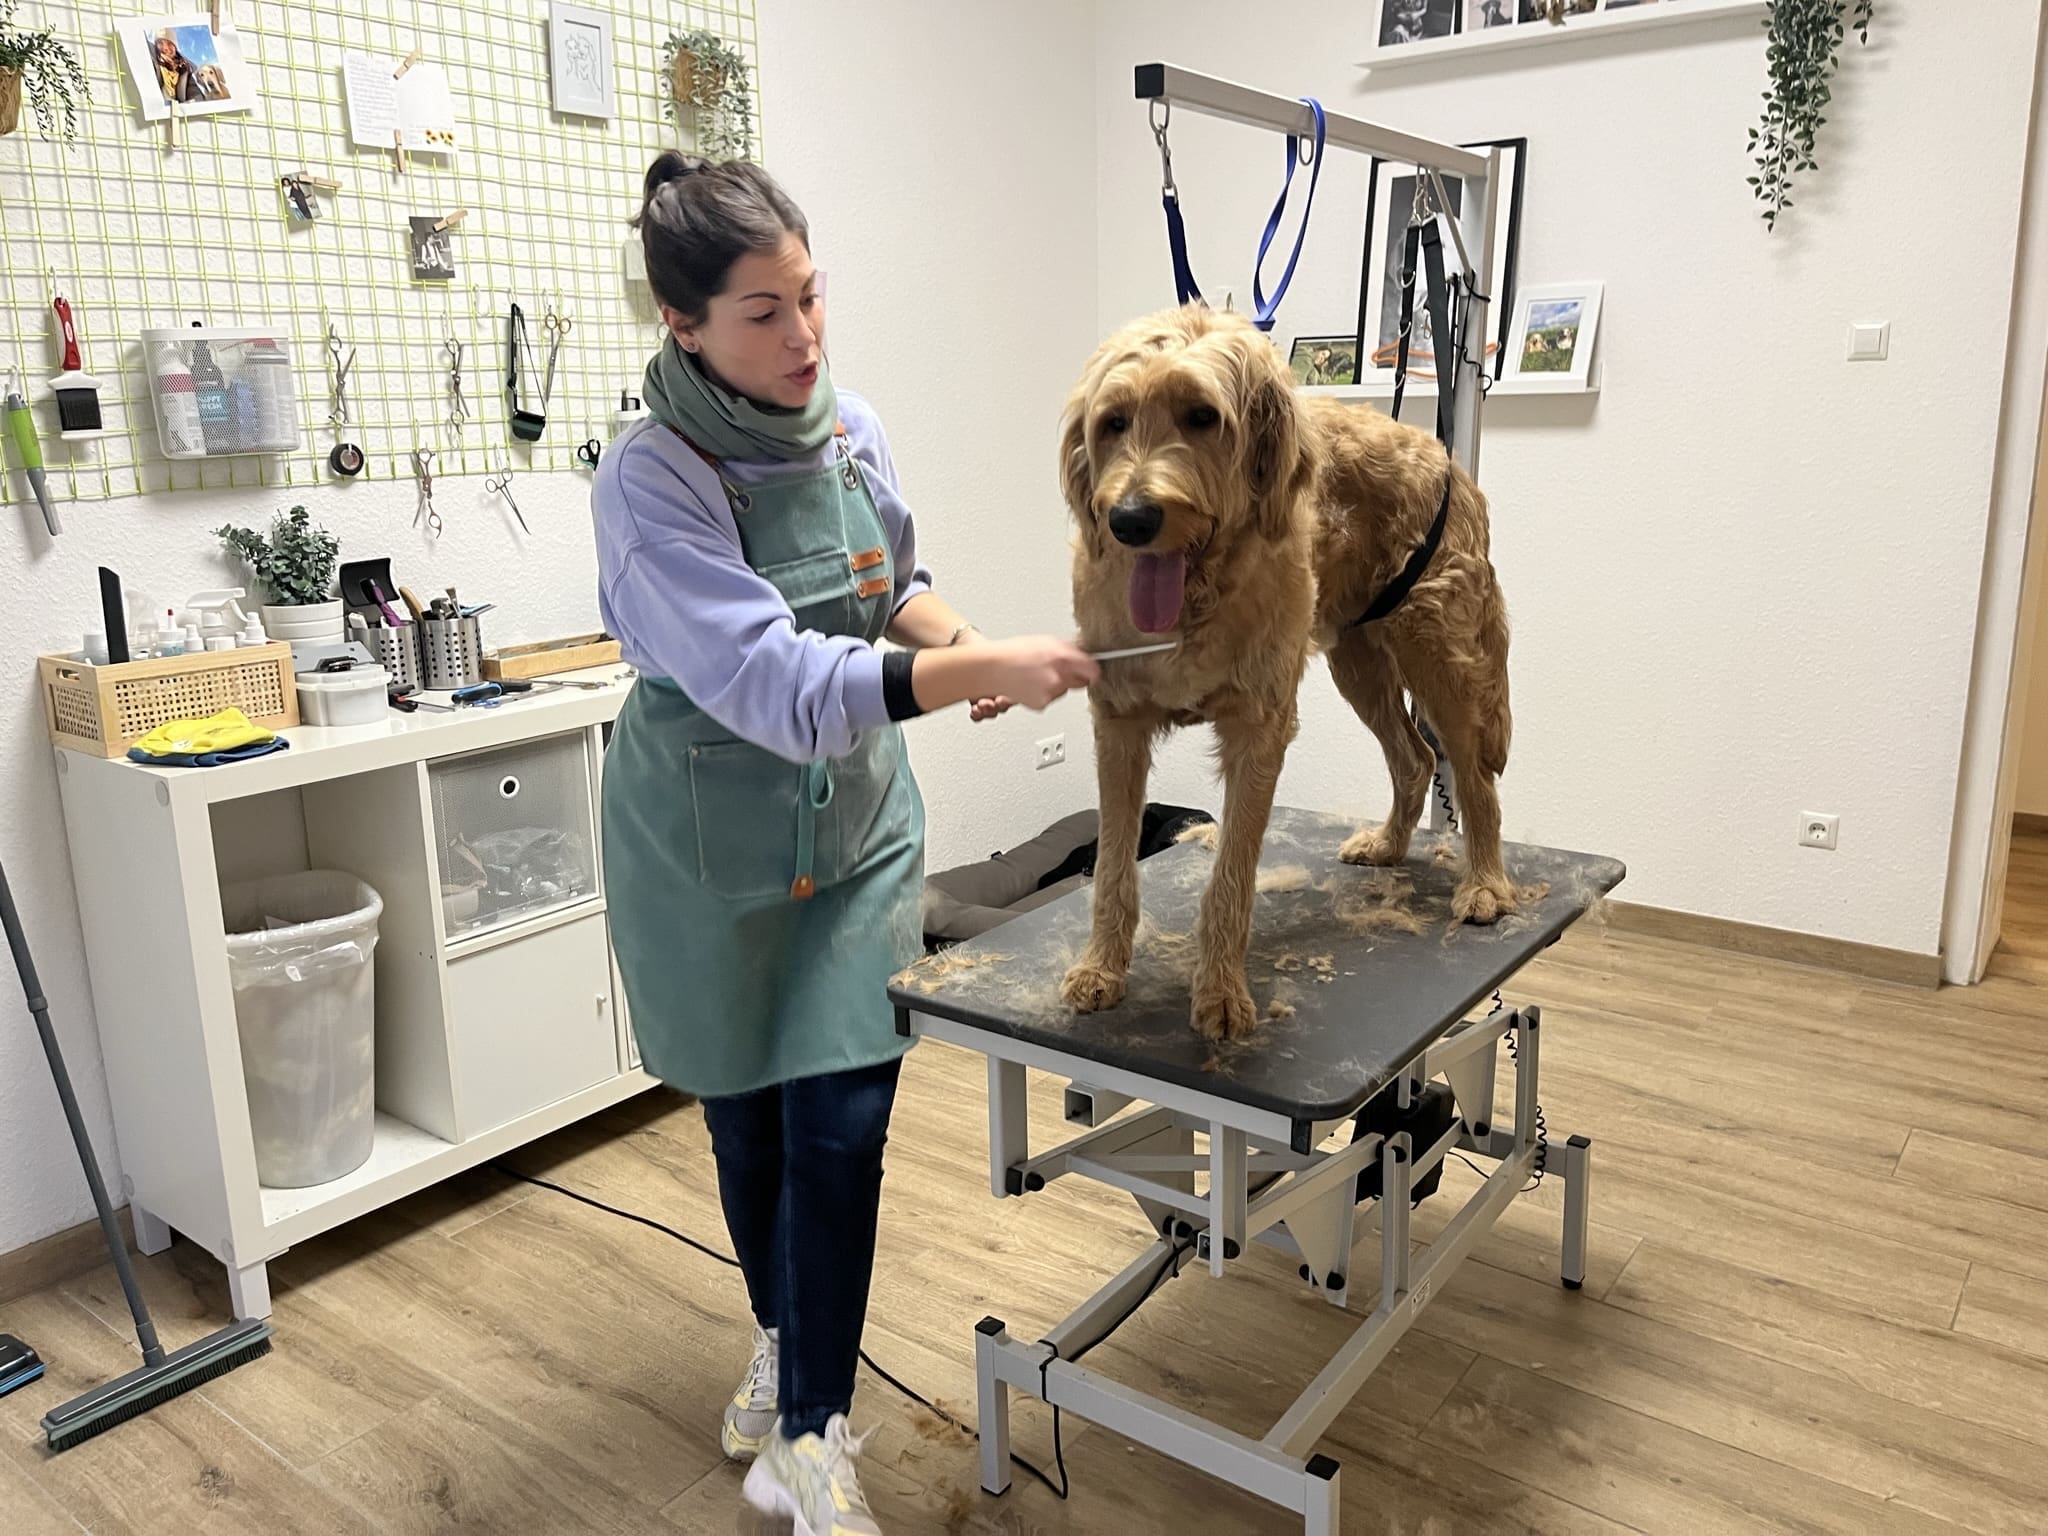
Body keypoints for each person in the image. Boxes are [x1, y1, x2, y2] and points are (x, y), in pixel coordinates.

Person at [592, 152, 1098, 1536]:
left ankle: (811, 1433)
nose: (804, 337)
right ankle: (784, 1338)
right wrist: (956, 672)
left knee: (843, 1123)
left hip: (859, 830)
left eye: (812, 297)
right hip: (708, 846)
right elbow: (771, 681)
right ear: (681, 323)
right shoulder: (652, 485)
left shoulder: (850, 427)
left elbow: (895, 587)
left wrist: (963, 644)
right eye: (763, 312)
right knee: (747, 1119)